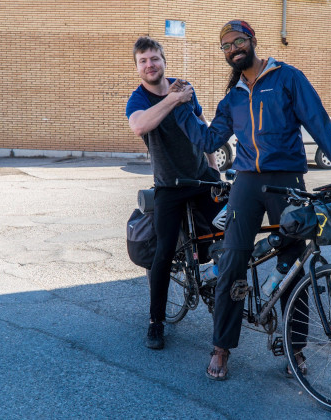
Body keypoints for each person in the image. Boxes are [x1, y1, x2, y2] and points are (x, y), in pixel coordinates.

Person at [170, 20, 331, 380]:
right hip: (245, 182)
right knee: (232, 261)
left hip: (286, 180)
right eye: (226, 45)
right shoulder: (232, 99)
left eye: (238, 41)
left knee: (295, 264)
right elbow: (210, 140)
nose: (233, 48)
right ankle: (221, 348)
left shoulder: (287, 78)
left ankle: (296, 350)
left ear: (252, 41)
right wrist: (182, 106)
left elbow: (320, 124)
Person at [126, 36, 221, 350]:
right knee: (163, 253)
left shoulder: (185, 88)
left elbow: (202, 125)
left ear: (164, 61)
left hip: (201, 179)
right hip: (169, 186)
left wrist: (214, 167)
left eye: (155, 58)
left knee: (227, 230)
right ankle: (155, 321)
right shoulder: (138, 99)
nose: (150, 65)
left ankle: (221, 289)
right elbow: (140, 126)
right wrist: (172, 98)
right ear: (138, 67)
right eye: (144, 61)